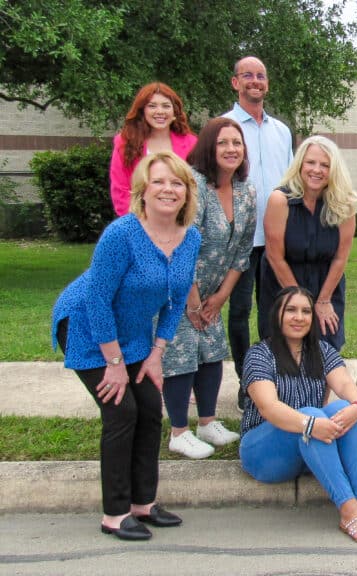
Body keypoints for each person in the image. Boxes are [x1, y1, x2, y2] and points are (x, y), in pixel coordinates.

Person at [53, 152, 201, 540]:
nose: (168, 189)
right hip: (86, 326)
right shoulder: (122, 234)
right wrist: (114, 363)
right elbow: (98, 299)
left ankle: (142, 503)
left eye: (177, 183)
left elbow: (176, 299)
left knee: (150, 408)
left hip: (134, 333)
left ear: (187, 192)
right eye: (159, 182)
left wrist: (157, 354)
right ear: (142, 191)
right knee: (122, 411)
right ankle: (115, 513)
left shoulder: (191, 238)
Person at [240, 286, 357, 546]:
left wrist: (356, 405)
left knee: (342, 409)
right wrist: (310, 423)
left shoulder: (321, 350)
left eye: (306, 311)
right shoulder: (260, 354)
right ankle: (349, 511)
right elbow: (268, 407)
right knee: (312, 415)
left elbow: (345, 385)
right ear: (277, 314)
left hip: (309, 446)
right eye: (291, 310)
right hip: (263, 451)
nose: (299, 317)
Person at [160, 118, 256, 459]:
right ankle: (178, 432)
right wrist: (194, 303)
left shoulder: (246, 191)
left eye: (237, 143)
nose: (231, 149)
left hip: (213, 292)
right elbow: (181, 247)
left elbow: (243, 250)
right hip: (178, 290)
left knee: (213, 351)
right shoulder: (194, 185)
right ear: (208, 148)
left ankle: (207, 422)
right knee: (182, 354)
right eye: (223, 143)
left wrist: (220, 297)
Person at [223, 56, 294, 410]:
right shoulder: (225, 127)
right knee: (239, 312)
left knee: (274, 313)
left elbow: (292, 182)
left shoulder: (281, 131)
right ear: (235, 83)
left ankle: (270, 376)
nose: (255, 81)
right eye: (247, 75)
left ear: (267, 83)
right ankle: (245, 381)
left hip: (277, 240)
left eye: (261, 76)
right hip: (240, 240)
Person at [259, 136, 357, 355]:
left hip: (326, 285)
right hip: (283, 283)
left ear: (334, 170)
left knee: (325, 352)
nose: (317, 170)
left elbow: (341, 257)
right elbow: (275, 256)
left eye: (325, 165)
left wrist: (323, 301)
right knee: (284, 353)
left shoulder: (345, 204)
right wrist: (301, 305)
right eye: (311, 162)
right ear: (300, 164)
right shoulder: (279, 200)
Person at [109, 83, 197, 217]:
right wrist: (139, 222)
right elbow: (120, 189)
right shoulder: (125, 143)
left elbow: (196, 187)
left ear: (175, 111)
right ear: (142, 111)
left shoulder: (192, 143)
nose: (160, 111)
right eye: (152, 106)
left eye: (166, 106)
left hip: (182, 219)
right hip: (138, 220)